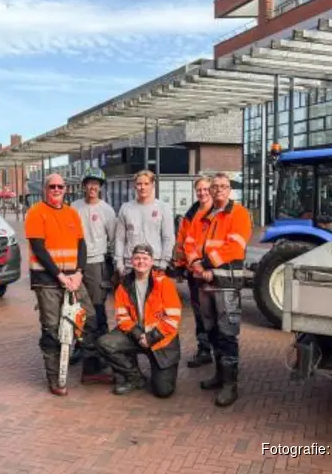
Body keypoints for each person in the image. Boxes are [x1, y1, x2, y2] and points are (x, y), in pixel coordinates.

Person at [24, 173, 114, 396]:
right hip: (47, 281)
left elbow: (81, 245)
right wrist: (60, 276)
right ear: (45, 189)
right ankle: (55, 378)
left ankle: (90, 369)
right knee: (52, 329)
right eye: (52, 186)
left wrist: (79, 273)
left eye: (60, 186)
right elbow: (39, 248)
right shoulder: (36, 213)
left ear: (65, 189)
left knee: (90, 319)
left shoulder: (71, 213)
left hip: (73, 278)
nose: (56, 190)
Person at [184, 173, 252, 407]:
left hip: (226, 284)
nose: (218, 190)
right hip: (205, 282)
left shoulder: (239, 213)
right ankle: (219, 375)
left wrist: (205, 263)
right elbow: (189, 242)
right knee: (211, 330)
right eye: (215, 187)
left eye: (223, 186)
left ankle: (230, 385)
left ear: (229, 189)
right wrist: (194, 264)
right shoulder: (203, 215)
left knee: (227, 334)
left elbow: (236, 247)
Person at [96, 243, 181, 398]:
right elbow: (122, 317)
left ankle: (157, 371)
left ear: (152, 261)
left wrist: (150, 338)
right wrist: (137, 334)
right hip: (136, 334)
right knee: (105, 343)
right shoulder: (124, 285)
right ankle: (134, 377)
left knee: (163, 391)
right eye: (137, 258)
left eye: (145, 258)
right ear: (131, 261)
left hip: (161, 339)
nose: (141, 262)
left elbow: (173, 319)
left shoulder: (164, 283)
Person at [69, 167, 116, 364]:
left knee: (97, 309)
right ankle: (81, 346)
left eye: (96, 184)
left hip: (97, 264)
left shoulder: (107, 210)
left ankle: (103, 347)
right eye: (89, 183)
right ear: (83, 186)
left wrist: (111, 268)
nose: (92, 187)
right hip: (76, 265)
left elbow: (113, 240)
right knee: (77, 309)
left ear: (101, 187)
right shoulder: (74, 207)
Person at [173, 175, 214, 368]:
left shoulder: (219, 212)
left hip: (215, 271)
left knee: (218, 313)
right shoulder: (190, 215)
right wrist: (181, 265)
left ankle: (219, 350)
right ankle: (204, 349)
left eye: (206, 189)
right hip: (195, 272)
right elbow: (182, 241)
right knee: (200, 312)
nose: (202, 193)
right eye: (199, 190)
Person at [114, 170, 175, 276]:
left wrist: (164, 262)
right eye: (139, 184)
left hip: (155, 263)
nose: (142, 187)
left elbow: (168, 237)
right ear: (135, 186)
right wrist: (119, 263)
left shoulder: (163, 208)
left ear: (153, 185)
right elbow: (120, 238)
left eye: (146, 184)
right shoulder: (126, 208)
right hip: (130, 264)